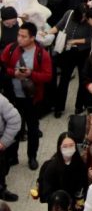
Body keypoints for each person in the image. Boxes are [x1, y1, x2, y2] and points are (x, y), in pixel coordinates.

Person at [1, 19, 53, 169]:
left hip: (32, 98)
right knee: (13, 126)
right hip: (13, 97)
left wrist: (31, 74)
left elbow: (48, 76)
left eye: (24, 36)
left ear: (32, 38)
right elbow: (4, 67)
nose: (19, 39)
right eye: (19, 35)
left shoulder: (41, 54)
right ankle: (13, 156)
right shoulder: (11, 49)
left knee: (33, 128)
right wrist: (14, 73)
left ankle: (32, 156)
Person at [38, 131, 90, 208]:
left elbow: (83, 184)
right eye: (65, 146)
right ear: (59, 147)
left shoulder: (79, 163)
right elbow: (47, 192)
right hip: (58, 206)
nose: (68, 149)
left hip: (76, 204)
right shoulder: (51, 167)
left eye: (71, 145)